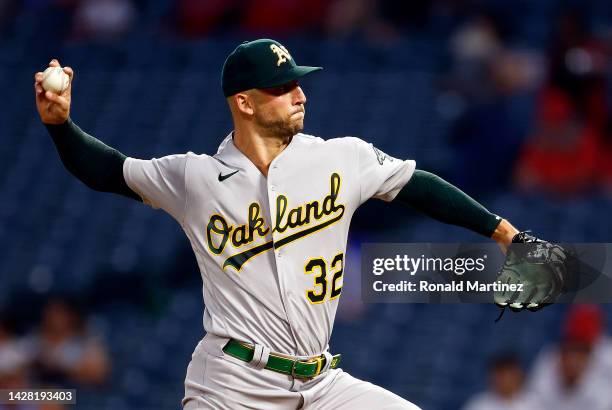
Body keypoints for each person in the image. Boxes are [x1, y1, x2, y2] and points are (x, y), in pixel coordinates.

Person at [35, 38, 527, 409]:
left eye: (298, 81)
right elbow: (107, 171)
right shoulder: (196, 177)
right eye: (281, 86)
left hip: (322, 383)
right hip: (231, 385)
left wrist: (502, 231)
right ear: (244, 103)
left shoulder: (341, 158)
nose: (298, 94)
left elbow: (416, 184)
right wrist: (61, 125)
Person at [463, 352, 540, 410]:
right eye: (503, 375)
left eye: (512, 375)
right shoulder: (479, 405)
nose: (508, 381)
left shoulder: (536, 403)